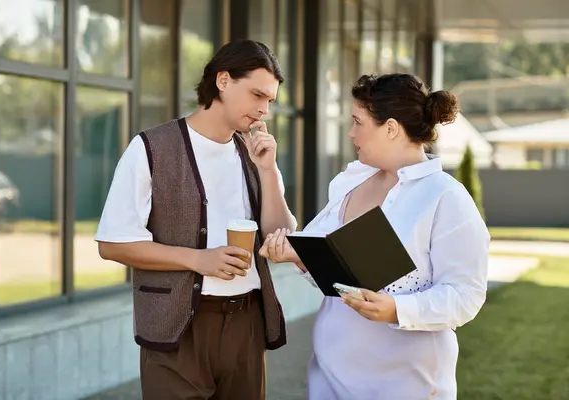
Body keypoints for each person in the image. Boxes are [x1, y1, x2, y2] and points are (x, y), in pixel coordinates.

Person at [260, 73, 490, 399]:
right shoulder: (349, 182)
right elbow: (328, 263)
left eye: (358, 123)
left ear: (391, 128)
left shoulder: (445, 198)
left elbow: (466, 295)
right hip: (328, 375)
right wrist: (296, 254)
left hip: (407, 384)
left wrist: (397, 308)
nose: (351, 133)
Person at [96, 39, 297, 400]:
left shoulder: (256, 154)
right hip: (178, 328)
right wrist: (197, 259)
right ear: (223, 80)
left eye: (270, 100)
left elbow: (279, 234)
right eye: (257, 95)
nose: (264, 109)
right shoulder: (150, 149)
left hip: (247, 322)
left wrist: (268, 172)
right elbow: (112, 243)